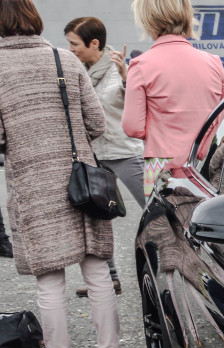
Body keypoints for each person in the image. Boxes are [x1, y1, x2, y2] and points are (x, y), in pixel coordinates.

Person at [0, 0, 122, 348]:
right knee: (97, 270)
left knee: (50, 277)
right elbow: (97, 123)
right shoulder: (64, 60)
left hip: (32, 182)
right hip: (80, 178)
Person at [120, 0, 224, 201]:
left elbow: (132, 127)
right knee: (206, 224)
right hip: (206, 161)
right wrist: (205, 141)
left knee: (162, 227)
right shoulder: (213, 62)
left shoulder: (140, 65)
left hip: (160, 165)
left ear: (148, 20)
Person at [64, 15, 145, 297]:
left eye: (75, 44)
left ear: (94, 42)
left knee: (157, 210)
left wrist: (126, 76)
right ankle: (109, 278)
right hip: (94, 155)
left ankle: (174, 268)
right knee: (96, 217)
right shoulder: (77, 73)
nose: (71, 49)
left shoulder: (118, 68)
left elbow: (136, 101)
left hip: (127, 152)